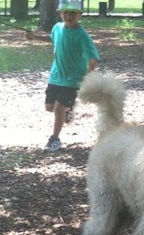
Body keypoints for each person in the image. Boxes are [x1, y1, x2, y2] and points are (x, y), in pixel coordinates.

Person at [25, 0, 100, 152]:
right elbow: (52, 38)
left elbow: (92, 58)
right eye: (65, 12)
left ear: (80, 15)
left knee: (58, 109)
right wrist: (34, 37)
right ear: (60, 14)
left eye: (73, 12)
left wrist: (88, 77)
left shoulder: (82, 35)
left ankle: (54, 139)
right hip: (56, 76)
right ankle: (69, 107)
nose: (69, 15)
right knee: (49, 108)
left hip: (73, 79)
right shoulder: (57, 28)